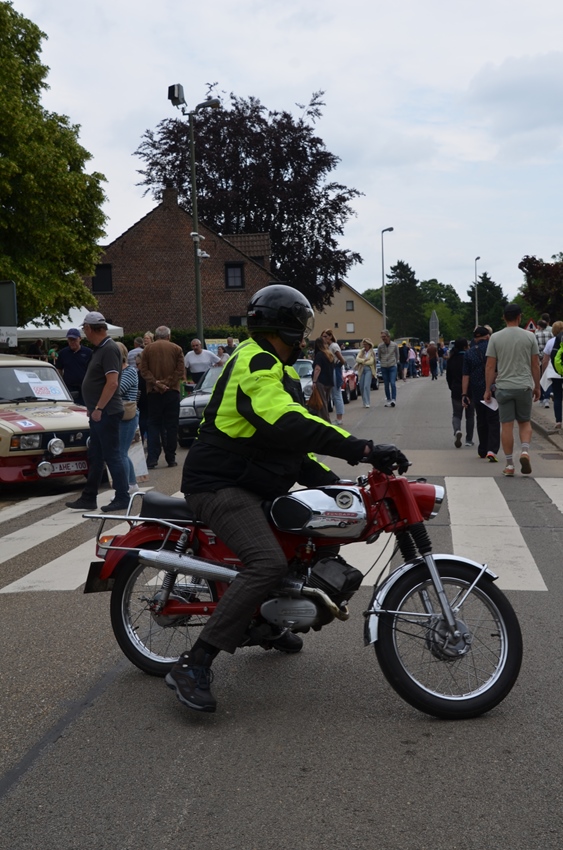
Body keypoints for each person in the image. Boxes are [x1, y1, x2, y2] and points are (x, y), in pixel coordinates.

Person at [166, 283, 391, 714]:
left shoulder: (280, 370)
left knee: (318, 530)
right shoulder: (254, 360)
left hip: (253, 482)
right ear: (284, 326)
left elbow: (293, 446)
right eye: (301, 326)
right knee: (266, 562)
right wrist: (360, 447)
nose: (305, 335)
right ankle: (194, 664)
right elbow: (286, 421)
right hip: (219, 484)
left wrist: (337, 484)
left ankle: (267, 623)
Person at [65, 312, 130, 512]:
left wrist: (99, 408)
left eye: (85, 328)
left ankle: (122, 497)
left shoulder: (109, 349)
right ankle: (89, 496)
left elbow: (112, 383)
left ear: (90, 328)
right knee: (97, 455)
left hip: (106, 411)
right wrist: (94, 408)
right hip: (100, 412)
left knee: (111, 455)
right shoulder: (101, 349)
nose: (84, 332)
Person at [484, 303, 540, 476]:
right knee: (524, 422)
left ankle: (509, 465)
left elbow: (490, 366)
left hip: (504, 387)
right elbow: (535, 364)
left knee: (506, 426)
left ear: (504, 317)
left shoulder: (495, 338)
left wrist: (487, 389)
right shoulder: (530, 337)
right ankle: (525, 451)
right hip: (524, 386)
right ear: (519, 317)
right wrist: (537, 386)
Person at [140, 325, 185, 469]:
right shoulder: (177, 349)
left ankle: (152, 458)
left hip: (154, 392)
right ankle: (171, 457)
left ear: (155, 336)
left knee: (153, 424)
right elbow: (180, 371)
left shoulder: (147, 349)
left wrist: (156, 383)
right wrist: (167, 383)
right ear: (169, 336)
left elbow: (143, 370)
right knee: (171, 425)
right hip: (171, 392)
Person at [462, 326, 500, 461]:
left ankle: (482, 449)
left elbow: (465, 375)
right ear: (488, 337)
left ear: (475, 339)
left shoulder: (469, 353)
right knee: (493, 420)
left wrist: (464, 394)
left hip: (477, 390)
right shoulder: (494, 350)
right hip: (493, 389)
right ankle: (492, 450)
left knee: (481, 419)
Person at [116, 342, 140, 495]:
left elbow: (117, 390)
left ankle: (124, 487)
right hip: (119, 415)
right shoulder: (117, 372)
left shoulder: (129, 371)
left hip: (128, 416)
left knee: (121, 453)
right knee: (122, 452)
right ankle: (132, 484)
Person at [446, 338, 475, 448]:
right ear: (465, 347)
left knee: (456, 414)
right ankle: (469, 439)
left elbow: (448, 376)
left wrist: (451, 387)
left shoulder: (452, 359)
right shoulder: (470, 358)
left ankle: (457, 430)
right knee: (470, 416)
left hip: (456, 389)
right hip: (470, 390)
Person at [56, 328, 93, 406]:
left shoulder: (88, 352)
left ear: (80, 339)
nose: (72, 342)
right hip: (69, 387)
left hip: (84, 387)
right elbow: (59, 369)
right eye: (70, 340)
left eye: (74, 340)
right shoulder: (63, 353)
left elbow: (93, 370)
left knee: (84, 407)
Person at [541, 320, 563, 430]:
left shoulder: (551, 342)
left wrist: (544, 372)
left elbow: (545, 360)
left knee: (557, 397)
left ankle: (558, 421)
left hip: (555, 373)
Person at [322, 328, 346, 427]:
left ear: (330, 336)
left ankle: (339, 418)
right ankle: (337, 417)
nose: (324, 338)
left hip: (334, 370)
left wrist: (337, 366)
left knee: (337, 394)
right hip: (330, 370)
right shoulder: (328, 346)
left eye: (325, 336)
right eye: (323, 337)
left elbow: (342, 360)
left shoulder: (334, 346)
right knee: (333, 394)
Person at [311, 336, 334, 423]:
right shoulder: (329, 355)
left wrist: (314, 381)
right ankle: (325, 420)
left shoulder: (319, 355)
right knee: (326, 402)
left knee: (322, 404)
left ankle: (326, 422)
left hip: (321, 382)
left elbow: (318, 369)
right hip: (329, 381)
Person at [378, 330, 399, 406]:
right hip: (384, 367)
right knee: (386, 384)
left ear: (388, 336)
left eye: (384, 336)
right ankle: (388, 399)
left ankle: (393, 399)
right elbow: (379, 356)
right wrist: (382, 362)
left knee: (392, 383)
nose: (383, 338)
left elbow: (397, 355)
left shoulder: (394, 345)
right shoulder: (380, 346)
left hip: (392, 366)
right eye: (382, 337)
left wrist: (395, 362)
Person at [535, 319, 553, 408]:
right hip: (548, 358)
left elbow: (535, 347)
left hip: (539, 358)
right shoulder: (550, 334)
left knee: (540, 377)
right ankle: (547, 398)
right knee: (548, 378)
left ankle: (541, 398)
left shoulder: (536, 335)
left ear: (539, 326)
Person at [355, 338, 376, 407]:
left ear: (369, 345)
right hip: (361, 370)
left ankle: (367, 402)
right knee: (361, 386)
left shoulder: (372, 352)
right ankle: (364, 401)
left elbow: (371, 362)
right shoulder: (362, 351)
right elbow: (357, 359)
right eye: (364, 344)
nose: (365, 346)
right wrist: (364, 360)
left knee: (366, 386)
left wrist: (362, 361)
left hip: (368, 370)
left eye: (366, 344)